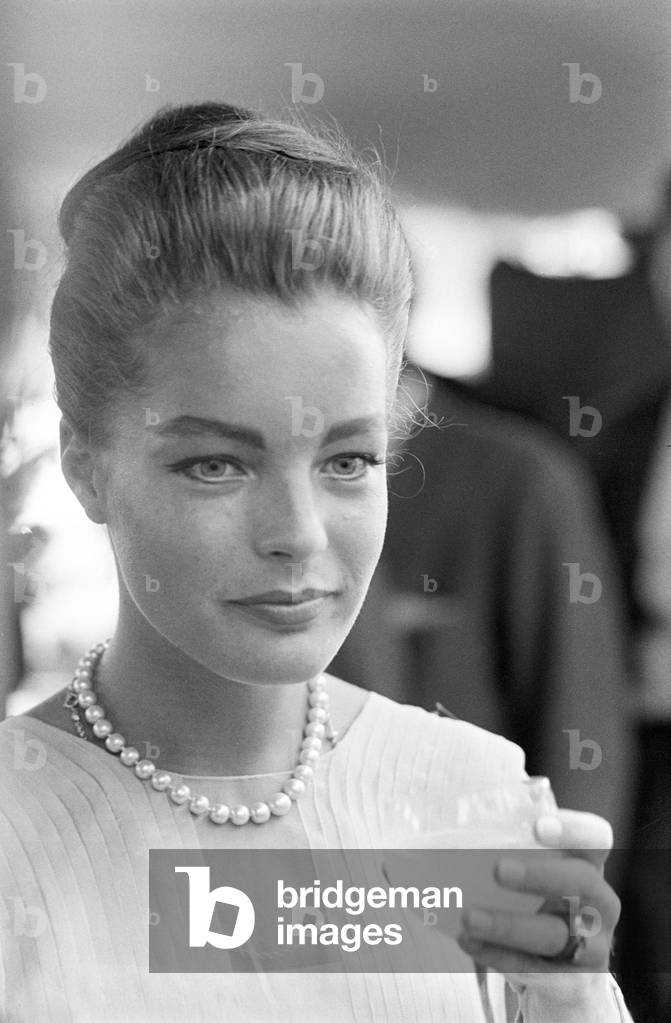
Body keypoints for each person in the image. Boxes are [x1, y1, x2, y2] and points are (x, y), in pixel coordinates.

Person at [0, 101, 633, 1022]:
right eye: (217, 463)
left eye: (347, 461)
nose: (298, 532)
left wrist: (570, 1005)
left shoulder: (477, 804)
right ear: (86, 468)